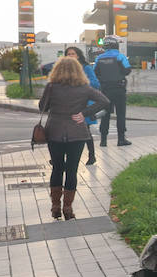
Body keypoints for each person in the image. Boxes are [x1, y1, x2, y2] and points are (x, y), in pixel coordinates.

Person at [38, 57, 110, 220]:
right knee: (72, 170)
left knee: (57, 168)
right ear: (78, 70)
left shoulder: (51, 87)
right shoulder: (84, 88)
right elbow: (104, 100)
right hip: (77, 133)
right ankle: (68, 209)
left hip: (54, 132)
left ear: (57, 70)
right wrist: (83, 114)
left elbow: (42, 107)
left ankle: (55, 206)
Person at [92, 36, 131, 146]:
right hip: (119, 89)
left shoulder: (99, 58)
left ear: (105, 46)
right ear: (116, 45)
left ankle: (103, 140)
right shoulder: (120, 56)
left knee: (105, 114)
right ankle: (121, 139)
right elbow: (127, 70)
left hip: (105, 90)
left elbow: (95, 73)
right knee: (120, 114)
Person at [64, 46, 98, 164]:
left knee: (85, 131)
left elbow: (95, 83)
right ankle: (60, 157)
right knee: (65, 131)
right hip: (68, 104)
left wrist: (80, 83)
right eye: (68, 54)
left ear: (78, 55)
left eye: (73, 53)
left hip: (83, 104)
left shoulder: (86, 68)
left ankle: (92, 156)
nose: (70, 56)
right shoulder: (64, 69)